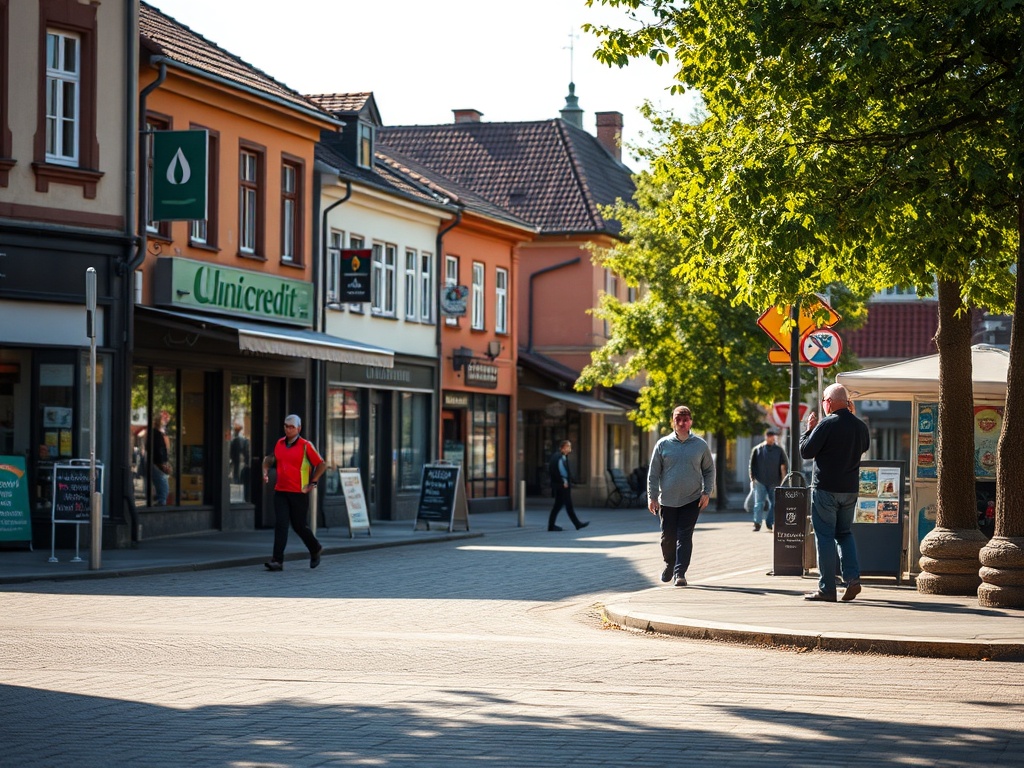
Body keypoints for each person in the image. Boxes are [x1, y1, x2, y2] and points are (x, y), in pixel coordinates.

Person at [799, 383, 871, 602]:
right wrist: (853, 418)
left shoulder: (826, 424)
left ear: (828, 402)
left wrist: (809, 429)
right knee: (844, 534)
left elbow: (806, 451)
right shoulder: (860, 426)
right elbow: (864, 447)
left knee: (825, 538)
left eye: (823, 400)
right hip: (849, 490)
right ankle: (853, 579)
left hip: (825, 490)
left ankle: (827, 588)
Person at [647, 405, 715, 587]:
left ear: (690, 422)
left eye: (685, 420)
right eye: (679, 419)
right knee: (667, 537)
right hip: (667, 501)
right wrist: (652, 497)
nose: (682, 423)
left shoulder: (700, 445)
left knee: (685, 536)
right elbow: (653, 473)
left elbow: (709, 470)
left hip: (691, 499)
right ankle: (670, 563)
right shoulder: (663, 445)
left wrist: (707, 492)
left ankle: (680, 573)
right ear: (673, 422)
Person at [262, 414, 327, 571]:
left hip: (299, 492)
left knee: (299, 526)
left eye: (291, 427)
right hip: (281, 491)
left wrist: (313, 482)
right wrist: (265, 469)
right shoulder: (280, 443)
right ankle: (277, 561)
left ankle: (315, 548)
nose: (288, 429)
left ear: (299, 428)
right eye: (286, 426)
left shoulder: (306, 445)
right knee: (281, 525)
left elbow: (321, 464)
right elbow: (271, 458)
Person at [749, 427, 789, 531]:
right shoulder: (758, 449)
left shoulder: (779, 450)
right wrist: (752, 478)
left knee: (775, 504)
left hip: (775, 481)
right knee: (759, 503)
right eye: (770, 436)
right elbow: (752, 464)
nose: (772, 438)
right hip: (760, 481)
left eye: (773, 437)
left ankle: (769, 522)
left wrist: (783, 479)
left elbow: (784, 464)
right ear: (766, 437)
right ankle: (757, 523)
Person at [547, 440, 589, 531]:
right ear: (564, 447)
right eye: (568, 447)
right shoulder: (561, 457)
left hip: (558, 485)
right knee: (568, 506)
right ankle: (577, 524)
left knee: (557, 506)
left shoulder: (556, 456)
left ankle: (551, 526)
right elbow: (561, 471)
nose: (570, 449)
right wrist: (564, 481)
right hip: (563, 485)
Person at [150, 410, 172, 505]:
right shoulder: (157, 434)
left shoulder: (157, 434)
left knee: (163, 491)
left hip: (158, 464)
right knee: (164, 492)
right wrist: (162, 464)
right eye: (165, 420)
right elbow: (159, 451)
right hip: (158, 465)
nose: (166, 423)